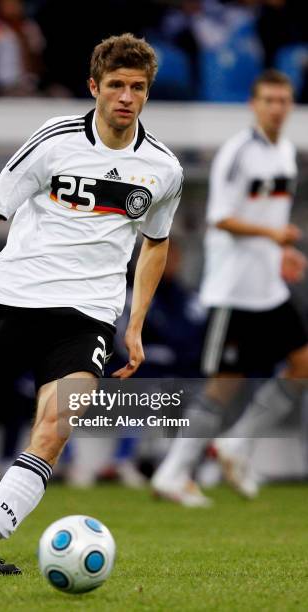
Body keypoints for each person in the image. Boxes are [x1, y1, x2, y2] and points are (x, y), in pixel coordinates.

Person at [0, 32, 183, 575]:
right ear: (94, 87)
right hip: (16, 298)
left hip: (88, 315)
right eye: (117, 85)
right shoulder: (51, 141)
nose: (127, 97)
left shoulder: (163, 168)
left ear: (147, 94)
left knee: (54, 427)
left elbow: (156, 242)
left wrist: (136, 323)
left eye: (138, 88)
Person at [152, 69, 308, 507]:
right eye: (270, 100)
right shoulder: (237, 154)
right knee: (224, 384)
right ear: (254, 105)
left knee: (303, 364)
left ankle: (237, 444)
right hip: (232, 291)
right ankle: (173, 471)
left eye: (284, 100)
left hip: (269, 288)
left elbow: (267, 219)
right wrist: (273, 237)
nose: (277, 108)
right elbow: (220, 218)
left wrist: (281, 251)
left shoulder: (285, 155)